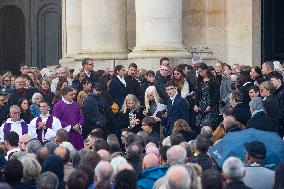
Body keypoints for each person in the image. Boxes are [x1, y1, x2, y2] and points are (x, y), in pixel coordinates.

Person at [194, 63, 219, 129]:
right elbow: (197, 94)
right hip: (201, 105)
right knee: (200, 126)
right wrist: (195, 105)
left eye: (201, 71)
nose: (200, 73)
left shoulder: (213, 81)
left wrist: (210, 105)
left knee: (208, 125)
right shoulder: (199, 81)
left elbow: (216, 95)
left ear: (206, 70)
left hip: (211, 105)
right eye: (198, 72)